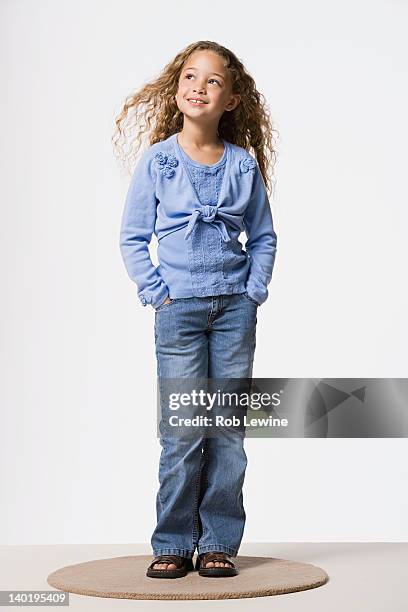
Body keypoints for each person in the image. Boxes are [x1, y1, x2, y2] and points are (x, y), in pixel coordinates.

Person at [114, 40, 278, 579]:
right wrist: (156, 291)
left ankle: (218, 542)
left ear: (231, 99)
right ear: (176, 87)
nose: (198, 87)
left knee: (226, 429)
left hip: (234, 310)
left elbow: (264, 236)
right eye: (190, 76)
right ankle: (173, 542)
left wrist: (254, 290)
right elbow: (134, 236)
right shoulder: (159, 160)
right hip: (178, 312)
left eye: (213, 81)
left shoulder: (241, 164)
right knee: (184, 430)